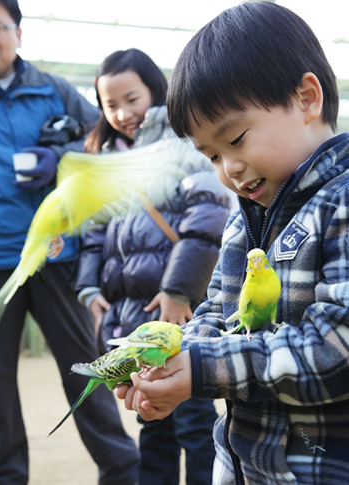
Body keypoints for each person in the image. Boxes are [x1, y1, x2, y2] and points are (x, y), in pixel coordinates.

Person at [117, 2, 349, 484]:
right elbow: (218, 315)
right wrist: (174, 362)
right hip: (242, 469)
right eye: (212, 156)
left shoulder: (340, 205)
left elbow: (336, 349)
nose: (228, 169)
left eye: (236, 139)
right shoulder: (244, 222)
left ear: (307, 98)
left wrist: (203, 367)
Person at [74, 48, 233, 485]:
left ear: (155, 92)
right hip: (135, 320)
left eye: (132, 98)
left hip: (173, 311)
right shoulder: (107, 158)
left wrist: (180, 290)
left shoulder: (182, 144)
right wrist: (90, 291)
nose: (123, 112)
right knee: (151, 420)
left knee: (194, 420)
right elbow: (93, 234)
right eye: (111, 104)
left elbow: (207, 219)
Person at [0, 2, 140, 484]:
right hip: (1, 262)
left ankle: (123, 471)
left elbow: (100, 138)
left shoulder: (55, 90)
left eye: (0, 26)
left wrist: (55, 154)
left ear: (19, 32)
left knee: (88, 370)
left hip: (56, 257)